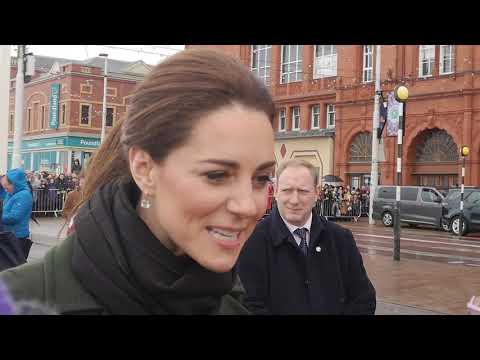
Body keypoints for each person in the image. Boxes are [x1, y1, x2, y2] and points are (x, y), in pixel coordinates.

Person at [0, 48, 276, 315]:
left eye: (261, 178)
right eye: (216, 175)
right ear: (144, 169)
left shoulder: (234, 304)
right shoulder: (16, 300)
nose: (248, 206)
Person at [238, 159, 376, 314]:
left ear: (317, 193)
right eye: (287, 190)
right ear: (276, 191)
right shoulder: (253, 241)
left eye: (303, 191)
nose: (294, 200)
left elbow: (363, 298)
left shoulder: (341, 239)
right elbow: (249, 305)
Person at [0, 169, 33, 259]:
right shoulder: (12, 193)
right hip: (9, 234)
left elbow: (14, 217)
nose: (6, 190)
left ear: (15, 184)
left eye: (7, 187)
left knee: (13, 265)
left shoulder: (24, 195)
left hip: (16, 236)